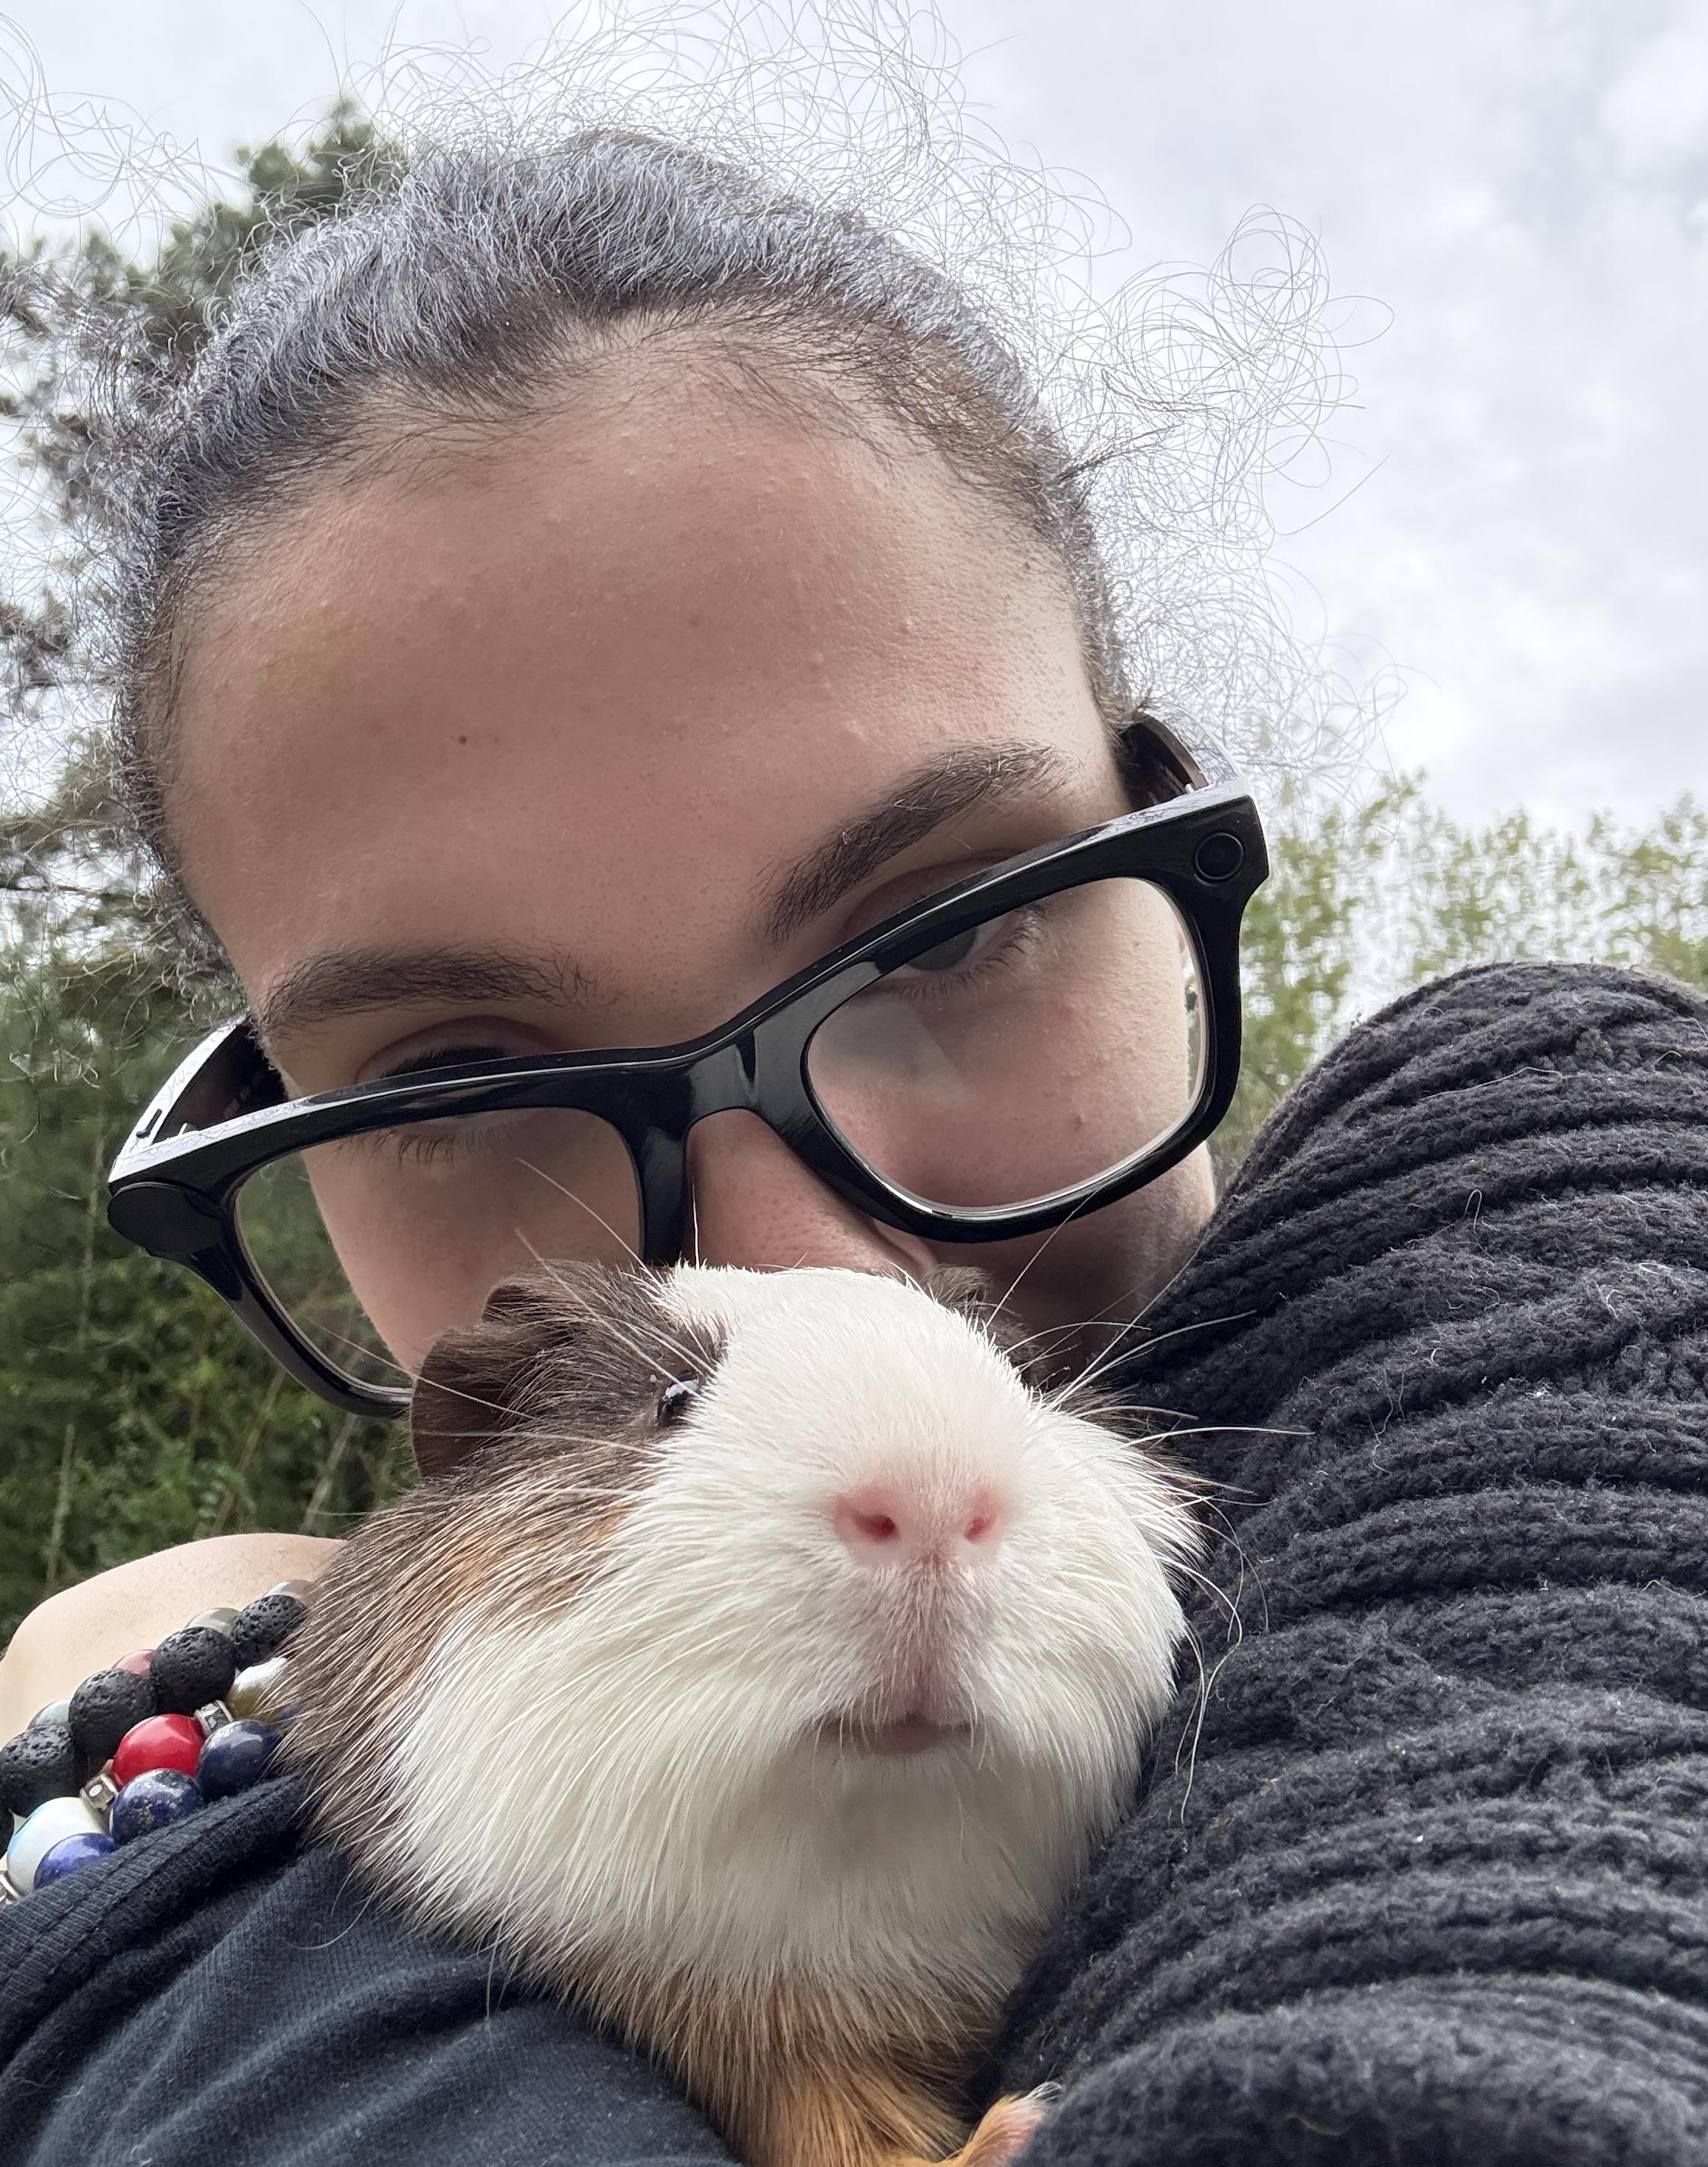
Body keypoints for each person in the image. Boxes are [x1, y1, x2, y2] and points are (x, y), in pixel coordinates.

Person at [4, 133, 1707, 2165]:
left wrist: (134, 1814)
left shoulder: (1558, 1222)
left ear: (1156, 827)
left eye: (958, 927)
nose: (812, 1267)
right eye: (456, 1072)